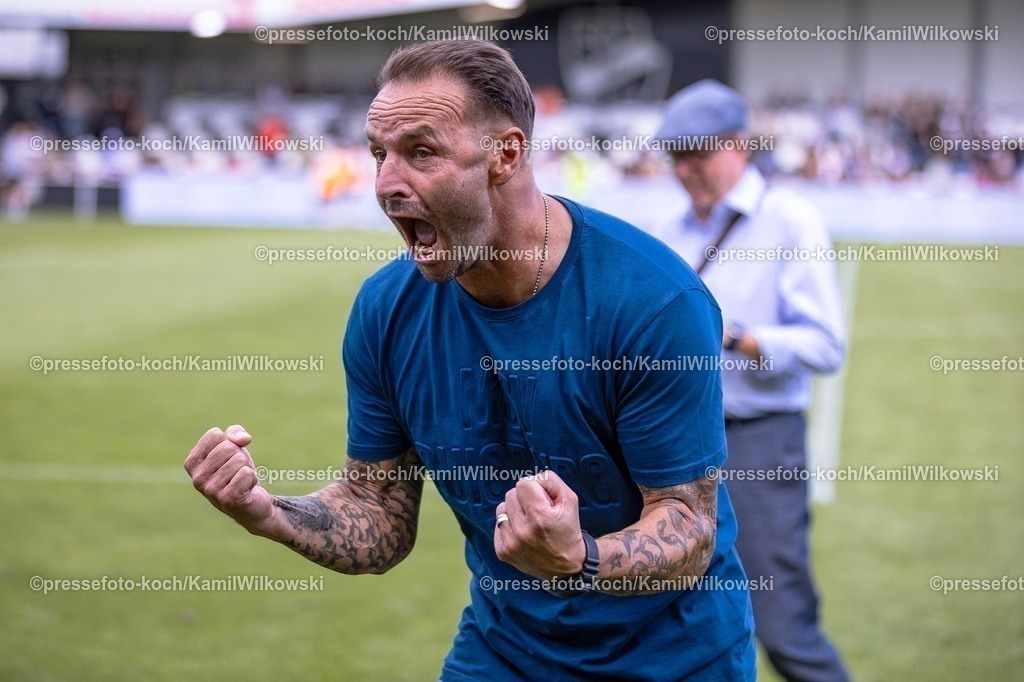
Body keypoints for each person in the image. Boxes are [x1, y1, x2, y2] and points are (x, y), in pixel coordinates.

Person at [184, 41, 754, 680]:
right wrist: (271, 514)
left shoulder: (652, 302)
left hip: (676, 660)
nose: (386, 184)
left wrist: (581, 556)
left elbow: (687, 526)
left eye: (421, 153)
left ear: (505, 155)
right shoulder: (386, 311)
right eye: (379, 154)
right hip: (504, 653)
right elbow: (378, 514)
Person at [650, 79, 850, 682]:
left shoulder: (789, 220)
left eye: (697, 153)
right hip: (676, 442)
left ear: (738, 144)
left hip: (759, 439)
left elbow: (826, 344)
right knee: (672, 621)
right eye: (675, 155)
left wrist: (736, 337)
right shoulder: (669, 228)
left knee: (782, 625)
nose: (684, 169)